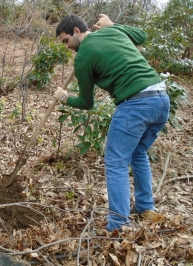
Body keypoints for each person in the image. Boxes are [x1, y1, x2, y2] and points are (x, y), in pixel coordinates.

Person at [53, 14, 170, 231]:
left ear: (77, 31)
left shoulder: (83, 57)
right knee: (137, 153)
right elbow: (142, 36)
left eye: (66, 40)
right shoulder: (111, 31)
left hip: (135, 104)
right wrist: (114, 26)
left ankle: (118, 224)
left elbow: (87, 102)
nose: (66, 46)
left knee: (116, 161)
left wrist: (64, 97)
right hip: (161, 99)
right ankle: (145, 207)